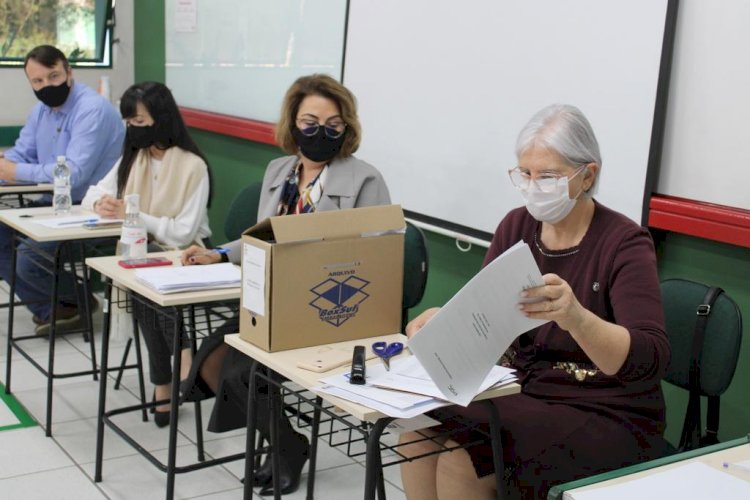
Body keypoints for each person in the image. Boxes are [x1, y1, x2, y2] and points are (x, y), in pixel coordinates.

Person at [399, 104, 671, 500]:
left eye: (547, 176)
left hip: (607, 410)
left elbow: (650, 359)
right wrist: (446, 324)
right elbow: (486, 321)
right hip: (525, 390)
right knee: (416, 440)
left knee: (462, 462)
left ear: (587, 176)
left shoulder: (624, 243)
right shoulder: (516, 227)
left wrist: (576, 317)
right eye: (524, 173)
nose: (532, 185)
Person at [179, 73, 391, 494]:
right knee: (211, 363)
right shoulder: (280, 171)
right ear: (292, 123)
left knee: (241, 373)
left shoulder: (365, 179)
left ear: (347, 128)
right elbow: (264, 237)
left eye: (333, 125)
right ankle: (287, 441)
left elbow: (377, 258)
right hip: (273, 303)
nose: (321, 132)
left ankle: (285, 450)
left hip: (332, 305)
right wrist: (219, 253)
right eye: (310, 122)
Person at [81, 81, 213, 427]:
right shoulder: (133, 158)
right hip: (146, 253)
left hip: (190, 256)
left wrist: (134, 214)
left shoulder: (192, 165)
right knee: (141, 268)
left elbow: (184, 232)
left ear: (162, 119)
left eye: (140, 122)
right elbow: (89, 195)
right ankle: (179, 360)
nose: (133, 129)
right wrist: (103, 203)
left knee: (142, 266)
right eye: (130, 122)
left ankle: (165, 381)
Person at [0, 45, 124, 334]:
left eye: (53, 76)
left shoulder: (91, 110)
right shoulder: (41, 111)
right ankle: (56, 309)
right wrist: (5, 167)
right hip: (53, 205)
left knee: (29, 259)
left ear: (69, 72)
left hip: (90, 210)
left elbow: (74, 174)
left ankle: (78, 301)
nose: (47, 86)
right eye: (38, 82)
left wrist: (14, 171)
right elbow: (22, 153)